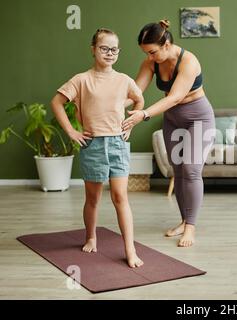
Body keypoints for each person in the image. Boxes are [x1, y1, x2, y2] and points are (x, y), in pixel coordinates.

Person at [51, 28, 145, 268]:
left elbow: (139, 99)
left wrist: (132, 122)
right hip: (92, 145)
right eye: (104, 48)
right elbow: (57, 102)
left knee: (120, 196)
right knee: (93, 198)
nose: (110, 53)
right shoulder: (82, 79)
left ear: (119, 52)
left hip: (118, 143)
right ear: (93, 49)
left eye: (114, 49)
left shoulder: (124, 80)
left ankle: (130, 249)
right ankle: (91, 236)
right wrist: (71, 131)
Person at [121, 20, 215, 247]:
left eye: (152, 52)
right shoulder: (151, 63)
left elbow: (174, 97)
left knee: (192, 170)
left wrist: (142, 115)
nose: (149, 57)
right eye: (146, 53)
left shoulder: (189, 61)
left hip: (198, 118)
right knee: (179, 171)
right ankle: (184, 221)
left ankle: (190, 228)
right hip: (172, 120)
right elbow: (135, 92)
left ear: (166, 43)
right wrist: (113, 107)